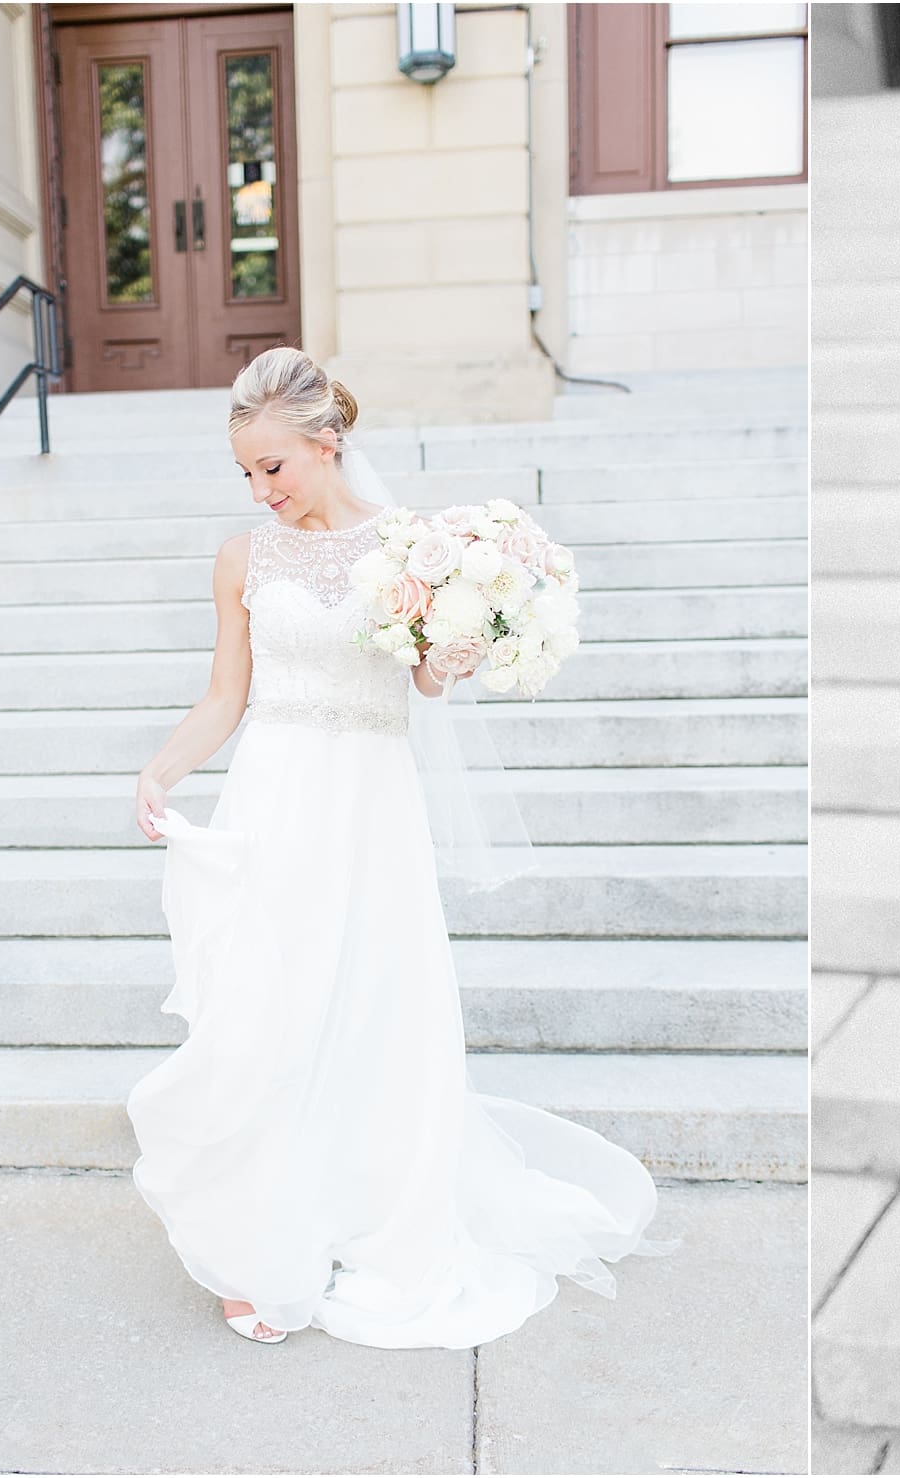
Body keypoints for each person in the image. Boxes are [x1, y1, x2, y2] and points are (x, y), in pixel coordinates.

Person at [127, 345, 662, 1348]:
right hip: (275, 797)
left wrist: (457, 649)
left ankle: (373, 1220)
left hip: (369, 806)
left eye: (274, 467)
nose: (261, 489)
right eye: (246, 473)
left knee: (371, 1009)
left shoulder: (415, 548)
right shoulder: (243, 558)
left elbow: (423, 685)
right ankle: (259, 1245)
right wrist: (162, 770)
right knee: (266, 1016)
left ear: (328, 444)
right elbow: (226, 696)